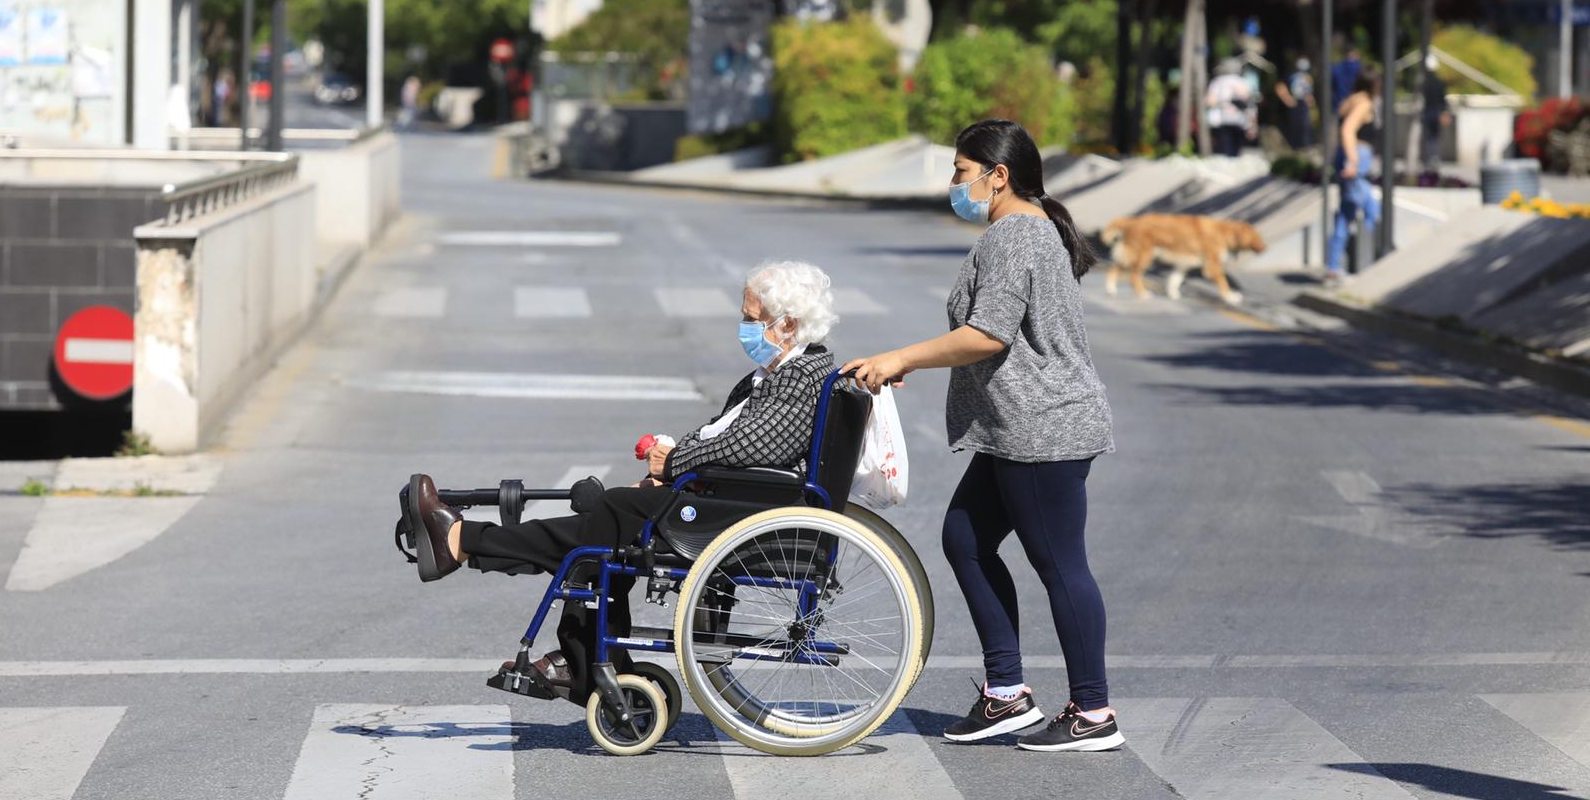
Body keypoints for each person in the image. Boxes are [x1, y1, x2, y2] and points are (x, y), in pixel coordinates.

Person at [403, 260, 841, 703]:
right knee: (602, 520)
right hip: (732, 500)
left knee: (605, 520)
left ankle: (469, 547)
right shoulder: (789, 371)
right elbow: (739, 440)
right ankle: (472, 550)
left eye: (751, 319)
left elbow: (756, 448)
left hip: (745, 514)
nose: (743, 327)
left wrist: (674, 464)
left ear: (786, 325)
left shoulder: (800, 377)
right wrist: (672, 473)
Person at [843, 118, 1122, 753]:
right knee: (964, 540)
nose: (953, 184)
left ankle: (1094, 712)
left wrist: (901, 358)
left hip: (1041, 427)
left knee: (1058, 564)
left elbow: (988, 333)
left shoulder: (1016, 234)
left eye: (961, 172)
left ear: (998, 177)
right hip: (1013, 427)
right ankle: (1006, 695)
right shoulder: (1024, 231)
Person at [1325, 69, 1383, 283]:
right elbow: (1348, 130)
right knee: (1370, 209)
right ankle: (1370, 261)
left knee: (1346, 212)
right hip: (1357, 156)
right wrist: (1353, 160)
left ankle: (1333, 265)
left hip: (1347, 157)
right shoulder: (1364, 103)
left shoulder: (1350, 100)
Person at [1205, 58, 1254, 157]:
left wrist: (1222, 101)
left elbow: (1209, 101)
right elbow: (1248, 101)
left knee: (1223, 150)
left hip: (1221, 120)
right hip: (1240, 120)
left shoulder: (1217, 82)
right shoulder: (1243, 82)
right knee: (1236, 150)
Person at [1275, 56, 1315, 149]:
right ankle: (1295, 147)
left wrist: (1310, 98)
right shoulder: (1291, 76)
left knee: (1305, 125)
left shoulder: (1307, 76)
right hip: (1295, 103)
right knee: (1295, 126)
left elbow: (1308, 91)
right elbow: (1280, 86)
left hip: (1304, 104)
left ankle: (1305, 146)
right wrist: (1287, 99)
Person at [1419, 54, 1449, 173]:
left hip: (1427, 112)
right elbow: (1443, 101)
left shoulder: (1423, 83)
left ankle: (1429, 160)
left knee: (1428, 138)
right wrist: (1444, 112)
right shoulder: (1440, 82)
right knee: (1434, 137)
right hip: (1436, 112)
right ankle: (1434, 158)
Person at [1330, 43, 1363, 108]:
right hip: (1355, 104)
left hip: (1338, 103)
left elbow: (1332, 86)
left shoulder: (1335, 68)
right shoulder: (1360, 69)